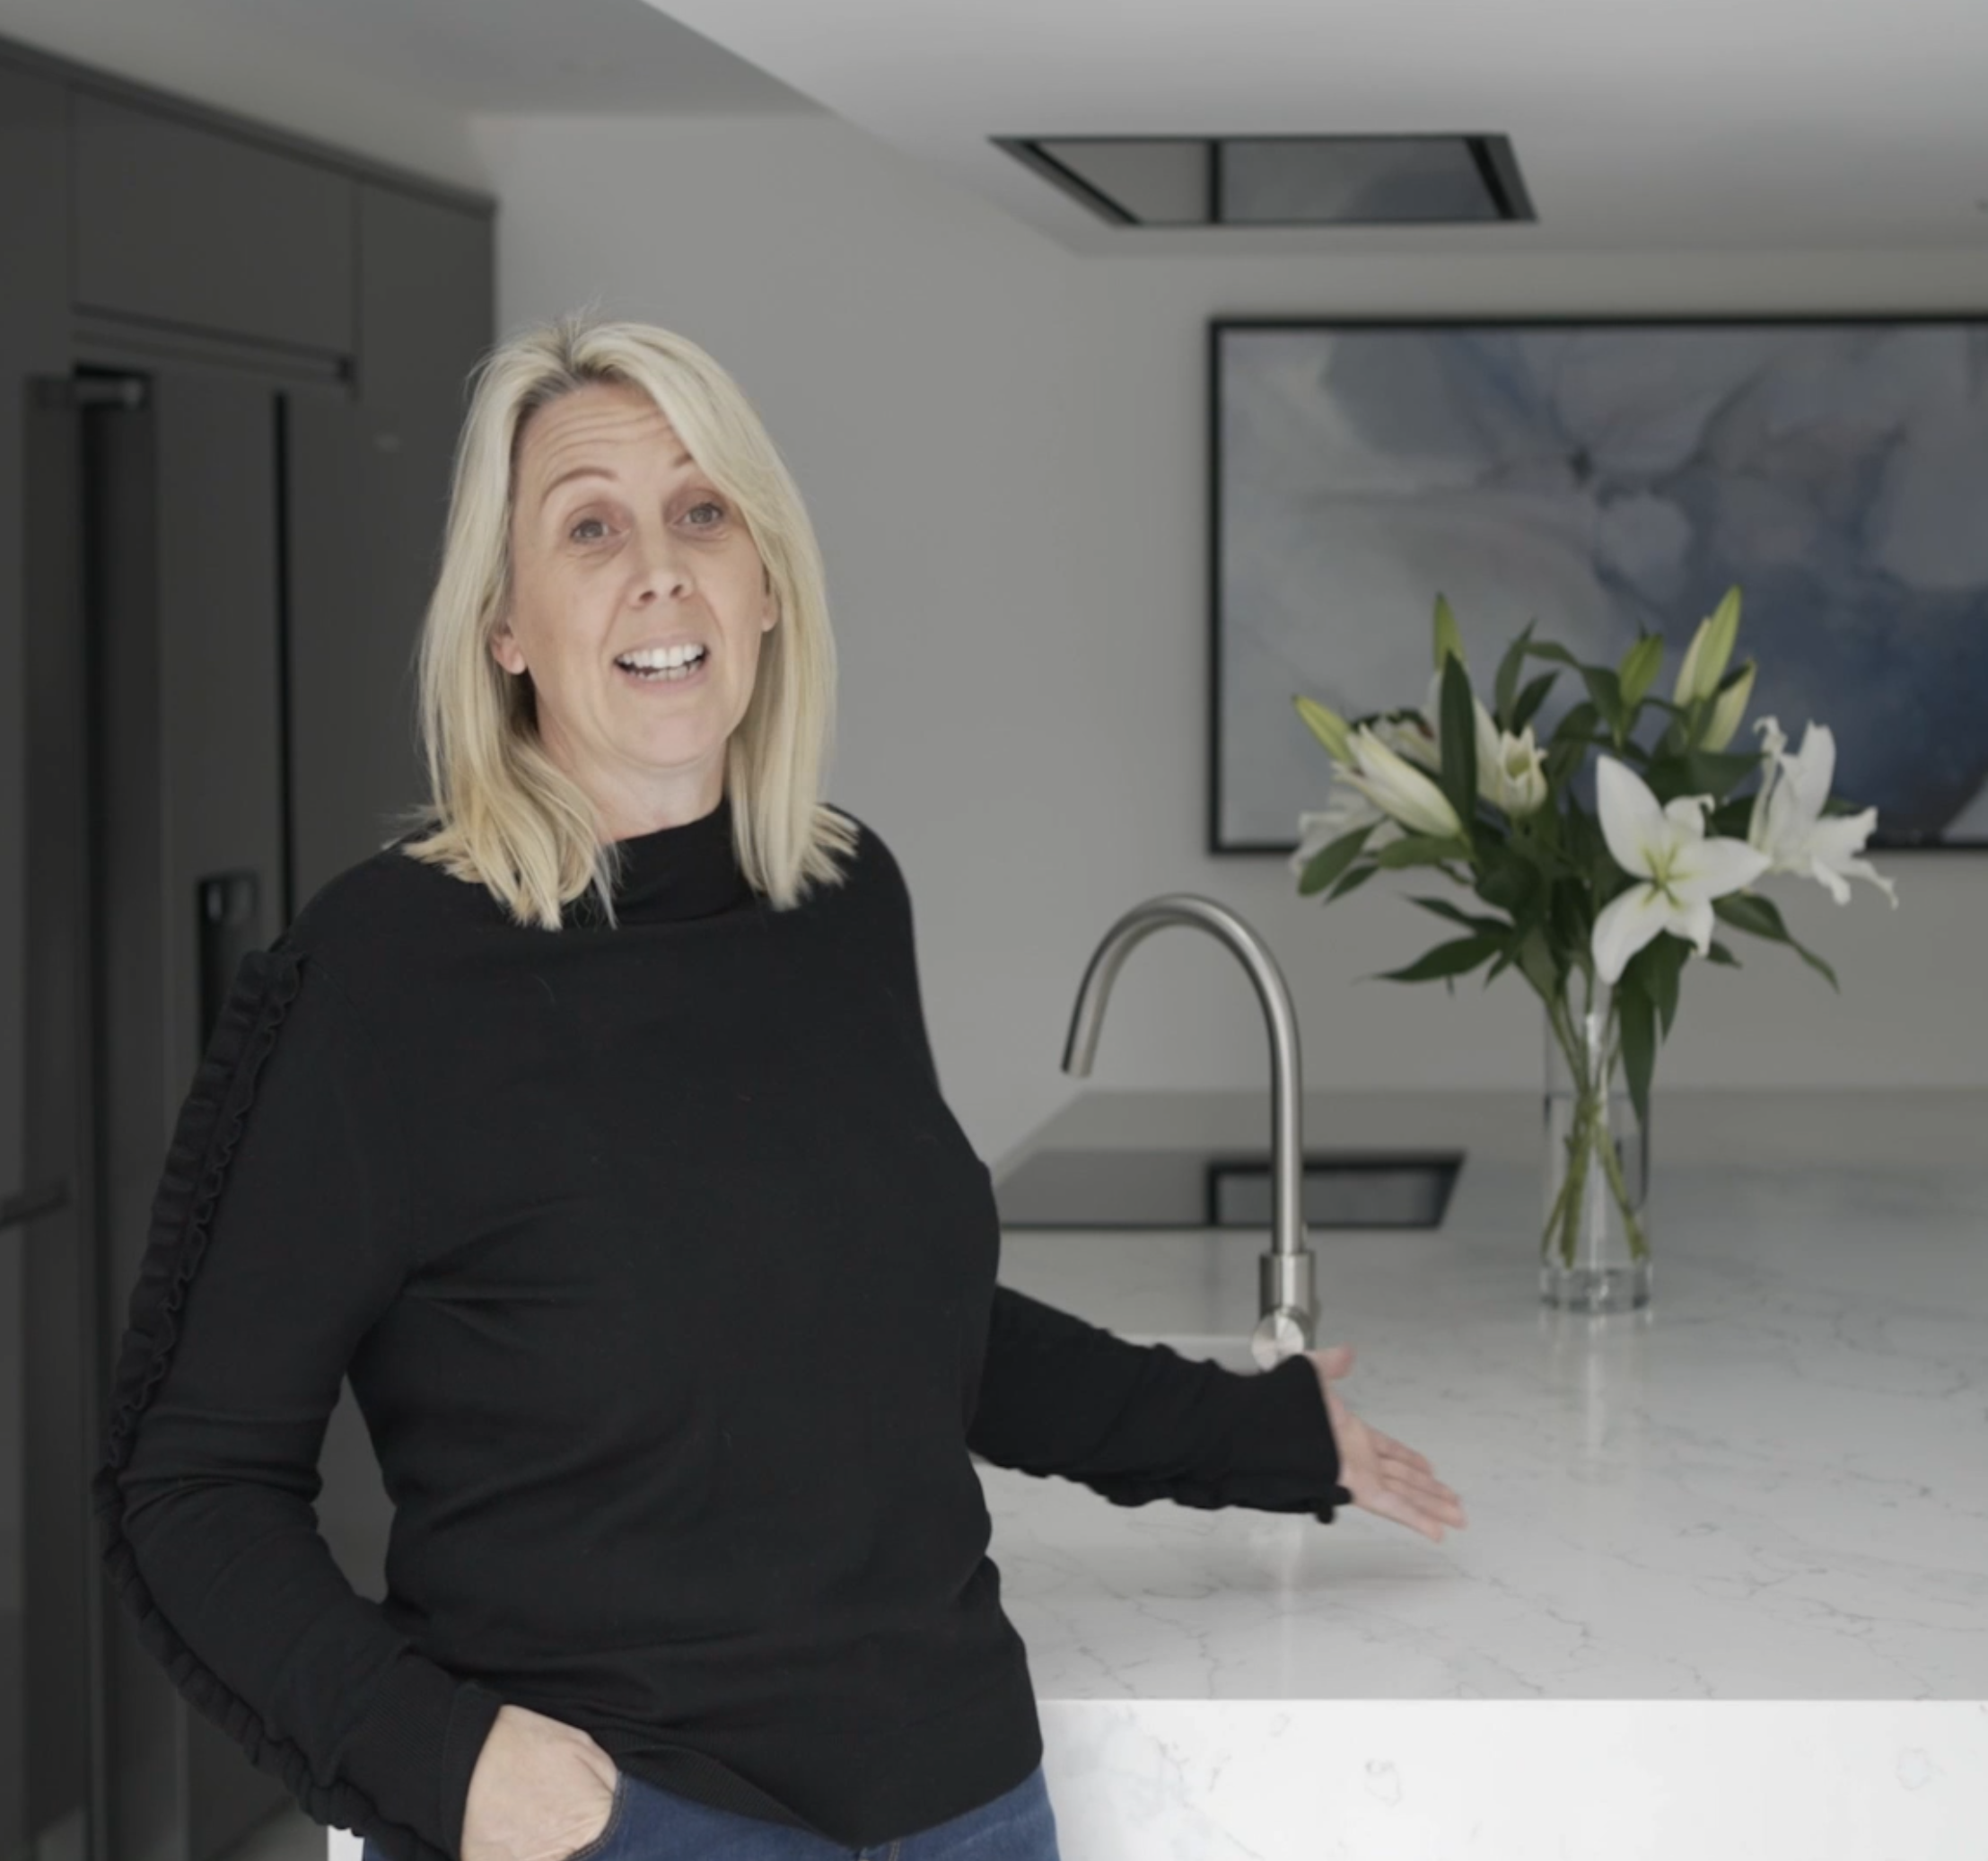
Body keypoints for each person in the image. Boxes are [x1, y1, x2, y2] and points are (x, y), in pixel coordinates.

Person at [92, 313, 1467, 1861]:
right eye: (589, 528)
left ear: (762, 584)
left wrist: (1259, 1437)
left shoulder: (839, 896)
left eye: (701, 513)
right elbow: (185, 1484)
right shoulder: (383, 970)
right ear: (505, 625)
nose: (659, 569)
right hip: (630, 1822)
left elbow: (895, 1313)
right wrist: (451, 1762)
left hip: (962, 1803)